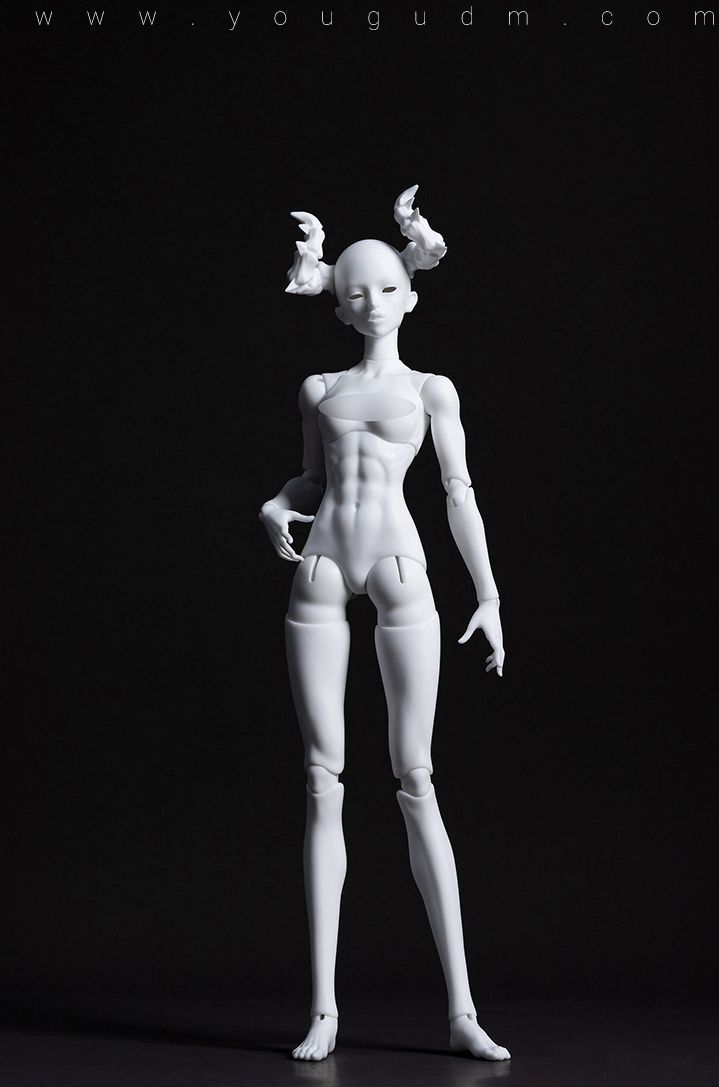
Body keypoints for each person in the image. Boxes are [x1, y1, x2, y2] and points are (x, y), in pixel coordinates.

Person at [259, 186, 510, 1062]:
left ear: (410, 294)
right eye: (354, 290)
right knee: (321, 778)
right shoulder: (318, 388)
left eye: (387, 287)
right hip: (324, 566)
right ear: (337, 303)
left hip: (400, 567)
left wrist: (489, 594)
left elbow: (458, 492)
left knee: (416, 777)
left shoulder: (432, 390)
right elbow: (311, 479)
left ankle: (462, 1009)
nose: (371, 301)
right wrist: (275, 503)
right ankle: (323, 1008)